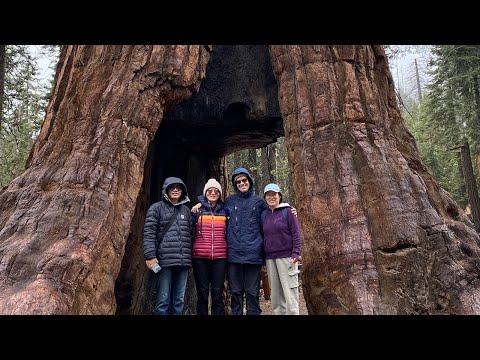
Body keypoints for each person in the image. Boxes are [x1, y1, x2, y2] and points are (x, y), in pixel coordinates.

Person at [143, 177, 194, 315]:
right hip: (164, 262)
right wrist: (150, 256)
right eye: (172, 187)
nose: (176, 189)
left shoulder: (186, 211)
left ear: (183, 190)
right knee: (163, 300)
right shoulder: (156, 208)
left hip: (183, 262)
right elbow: (149, 233)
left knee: (179, 300)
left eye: (179, 187)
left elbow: (191, 234)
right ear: (166, 190)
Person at [224, 167, 267, 315]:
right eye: (238, 181)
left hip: (253, 254)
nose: (241, 183)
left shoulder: (259, 202)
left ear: (249, 181)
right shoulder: (229, 201)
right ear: (235, 185)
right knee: (235, 292)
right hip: (234, 255)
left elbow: (270, 219)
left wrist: (287, 209)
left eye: (244, 180)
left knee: (252, 292)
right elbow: (215, 211)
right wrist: (200, 203)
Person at [262, 183, 302, 315]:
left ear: (279, 195)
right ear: (265, 197)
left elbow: (296, 233)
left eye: (274, 194)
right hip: (270, 259)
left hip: (287, 257)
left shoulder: (288, 212)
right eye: (268, 195)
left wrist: (296, 252)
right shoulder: (263, 215)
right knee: (276, 296)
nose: (271, 197)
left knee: (290, 293)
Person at [192, 178, 228, 315]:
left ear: (219, 194)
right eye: (209, 190)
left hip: (219, 258)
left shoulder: (225, 211)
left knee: (217, 294)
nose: (213, 193)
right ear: (205, 192)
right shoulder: (197, 211)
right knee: (202, 294)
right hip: (200, 258)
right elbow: (189, 232)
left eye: (216, 191)